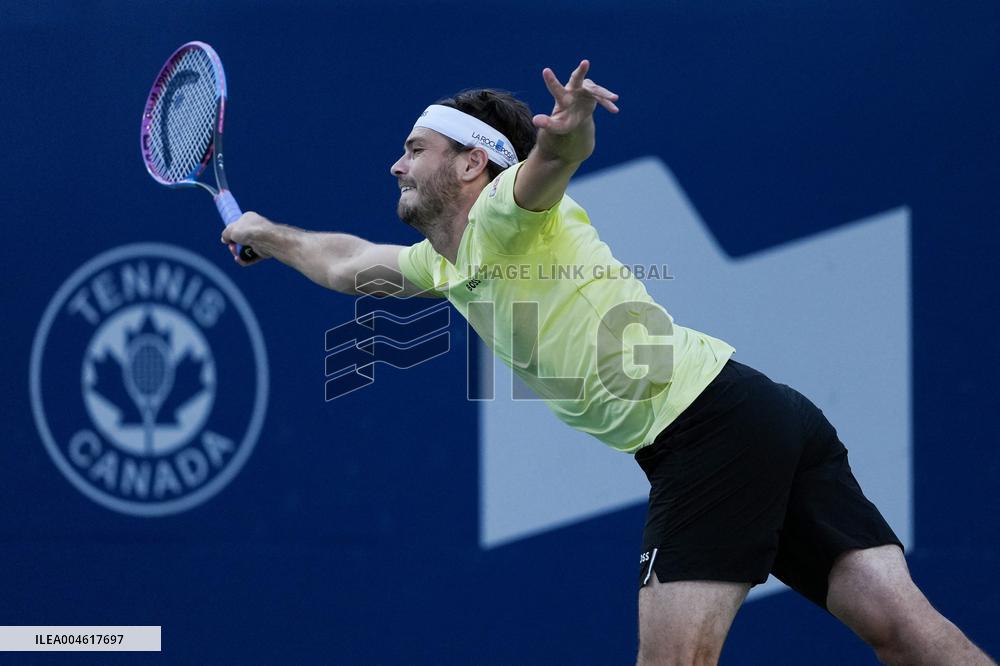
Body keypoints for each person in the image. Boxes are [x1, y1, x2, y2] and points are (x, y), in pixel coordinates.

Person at [221, 61, 993, 665]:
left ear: (470, 166)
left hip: (706, 434)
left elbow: (549, 163)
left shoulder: (502, 213)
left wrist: (568, 132)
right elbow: (352, 264)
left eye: (414, 150)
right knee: (903, 631)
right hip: (760, 415)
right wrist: (274, 235)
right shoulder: (444, 262)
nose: (396, 165)